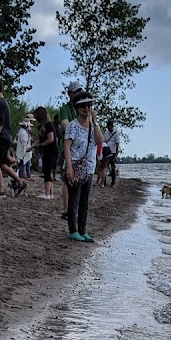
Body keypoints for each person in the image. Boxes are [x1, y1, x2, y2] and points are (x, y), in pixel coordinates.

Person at [63, 90, 103, 242]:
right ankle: (73, 231)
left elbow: (99, 141)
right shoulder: (73, 126)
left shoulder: (92, 126)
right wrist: (69, 168)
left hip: (89, 168)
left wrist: (95, 121)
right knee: (74, 200)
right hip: (75, 166)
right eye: (83, 106)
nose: (87, 108)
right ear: (77, 108)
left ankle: (82, 230)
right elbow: (67, 146)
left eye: (89, 105)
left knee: (85, 201)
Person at [0, 81, 27, 197]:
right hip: (8, 136)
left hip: (3, 136)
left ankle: (1, 189)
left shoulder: (0, 103)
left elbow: (0, 122)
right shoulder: (6, 103)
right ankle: (20, 182)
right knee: (3, 164)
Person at [57, 80, 83, 217]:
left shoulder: (83, 109)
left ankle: (75, 208)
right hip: (67, 148)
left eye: (80, 91)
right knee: (67, 180)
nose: (79, 94)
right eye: (76, 92)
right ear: (70, 94)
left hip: (81, 150)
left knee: (79, 180)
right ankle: (67, 210)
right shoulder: (64, 109)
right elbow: (66, 127)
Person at [33, 106, 58, 200]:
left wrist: (41, 145)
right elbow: (40, 139)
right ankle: (50, 193)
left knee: (47, 171)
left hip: (51, 151)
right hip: (48, 151)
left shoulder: (49, 125)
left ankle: (47, 193)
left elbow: (50, 139)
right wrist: (32, 146)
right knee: (48, 171)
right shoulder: (43, 126)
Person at [97, 119, 120, 188]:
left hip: (113, 152)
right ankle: (103, 182)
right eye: (108, 128)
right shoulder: (106, 132)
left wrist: (116, 154)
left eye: (110, 127)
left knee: (112, 168)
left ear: (112, 127)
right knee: (104, 167)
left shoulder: (116, 133)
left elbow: (117, 144)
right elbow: (103, 141)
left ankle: (113, 182)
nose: (109, 129)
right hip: (106, 151)